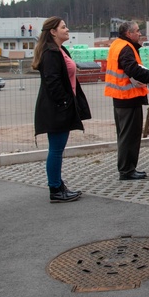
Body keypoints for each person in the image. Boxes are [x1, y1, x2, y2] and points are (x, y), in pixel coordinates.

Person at [32, 17, 89, 202]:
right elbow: (52, 82)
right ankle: (55, 189)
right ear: (53, 32)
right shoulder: (50, 53)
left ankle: (58, 185)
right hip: (56, 109)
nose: (67, 29)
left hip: (61, 107)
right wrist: (64, 103)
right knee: (56, 149)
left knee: (57, 148)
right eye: (63, 27)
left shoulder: (59, 50)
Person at [104, 20, 149, 180]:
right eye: (137, 31)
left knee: (125, 135)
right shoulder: (126, 48)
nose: (140, 33)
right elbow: (132, 69)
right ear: (128, 33)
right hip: (128, 97)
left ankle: (126, 168)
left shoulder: (117, 45)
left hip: (121, 97)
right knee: (130, 136)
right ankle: (127, 170)